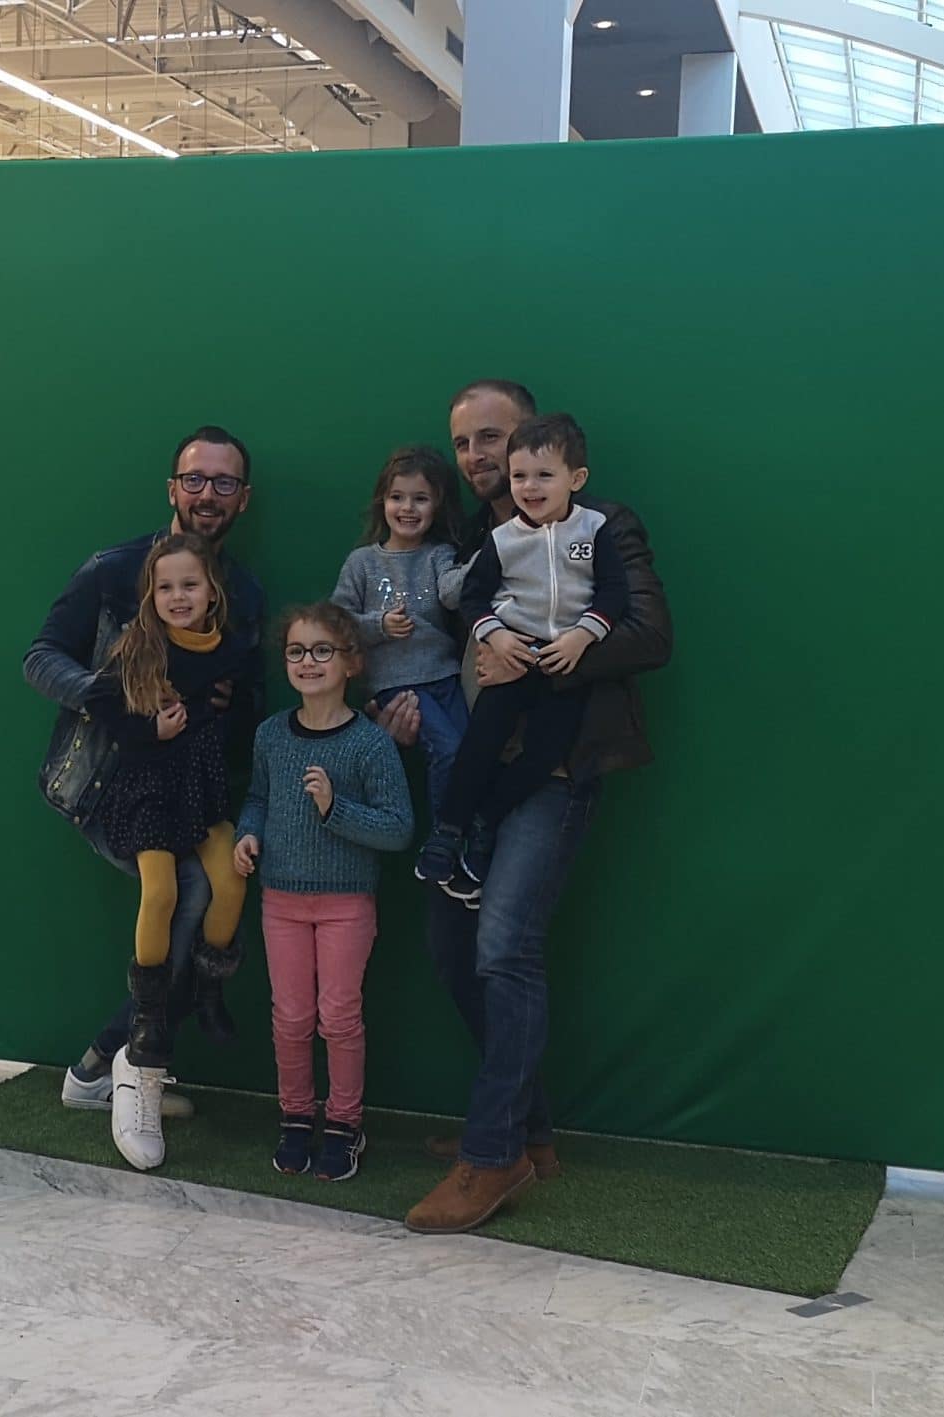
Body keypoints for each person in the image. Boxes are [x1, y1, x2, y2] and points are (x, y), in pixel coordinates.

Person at [377, 379, 672, 1236]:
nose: (481, 458)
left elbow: (650, 634)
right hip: (467, 774)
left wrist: (542, 656)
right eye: (465, 442)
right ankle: (529, 1132)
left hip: (555, 769)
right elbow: (448, 629)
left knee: (505, 946)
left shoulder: (601, 525)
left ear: (545, 453)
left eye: (495, 440)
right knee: (451, 947)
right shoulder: (477, 536)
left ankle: (494, 1150)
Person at [24, 428, 265, 1135]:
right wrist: (114, 695)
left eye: (224, 483)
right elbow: (40, 657)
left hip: (191, 790)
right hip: (106, 784)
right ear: (172, 488)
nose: (207, 494)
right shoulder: (113, 568)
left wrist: (230, 703)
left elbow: (246, 696)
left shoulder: (244, 593)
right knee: (185, 892)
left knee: (216, 889)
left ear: (243, 499)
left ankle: (101, 1065)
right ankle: (138, 1060)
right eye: (195, 479)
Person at [79, 535, 250, 1168]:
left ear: (213, 592)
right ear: (150, 595)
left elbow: (243, 714)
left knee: (231, 881)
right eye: (166, 587)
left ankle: (207, 990)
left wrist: (223, 712)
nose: (178, 597)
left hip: (202, 792)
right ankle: (150, 1016)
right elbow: (103, 711)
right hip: (149, 793)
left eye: (190, 585)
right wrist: (149, 728)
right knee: (163, 892)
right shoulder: (139, 648)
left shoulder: (231, 651)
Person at [413, 414, 631, 903]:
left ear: (576, 479)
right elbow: (473, 599)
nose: (529, 487)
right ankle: (448, 830)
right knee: (478, 746)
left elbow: (616, 594)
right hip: (512, 662)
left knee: (547, 755)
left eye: (544, 476)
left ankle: (486, 817)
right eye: (519, 477)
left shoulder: (595, 529)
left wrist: (581, 637)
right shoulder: (502, 539)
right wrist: (495, 638)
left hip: (564, 669)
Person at [233, 604, 412, 1182]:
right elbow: (258, 798)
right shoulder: (270, 736)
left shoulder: (370, 745)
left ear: (351, 662)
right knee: (290, 1017)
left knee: (338, 1016)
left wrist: (335, 808)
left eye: (321, 651)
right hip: (280, 900)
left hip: (346, 905)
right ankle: (295, 1117)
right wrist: (248, 835)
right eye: (296, 651)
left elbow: (398, 828)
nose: (307, 662)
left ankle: (344, 1123)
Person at [331, 447, 466, 812]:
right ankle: (445, 838)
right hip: (397, 684)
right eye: (397, 498)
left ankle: (474, 836)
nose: (408, 508)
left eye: (420, 499)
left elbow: (453, 596)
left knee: (472, 752)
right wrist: (379, 625)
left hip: (445, 678)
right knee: (449, 751)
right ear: (382, 502)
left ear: (436, 505)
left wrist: (487, 560)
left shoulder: (440, 555)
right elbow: (336, 625)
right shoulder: (362, 562)